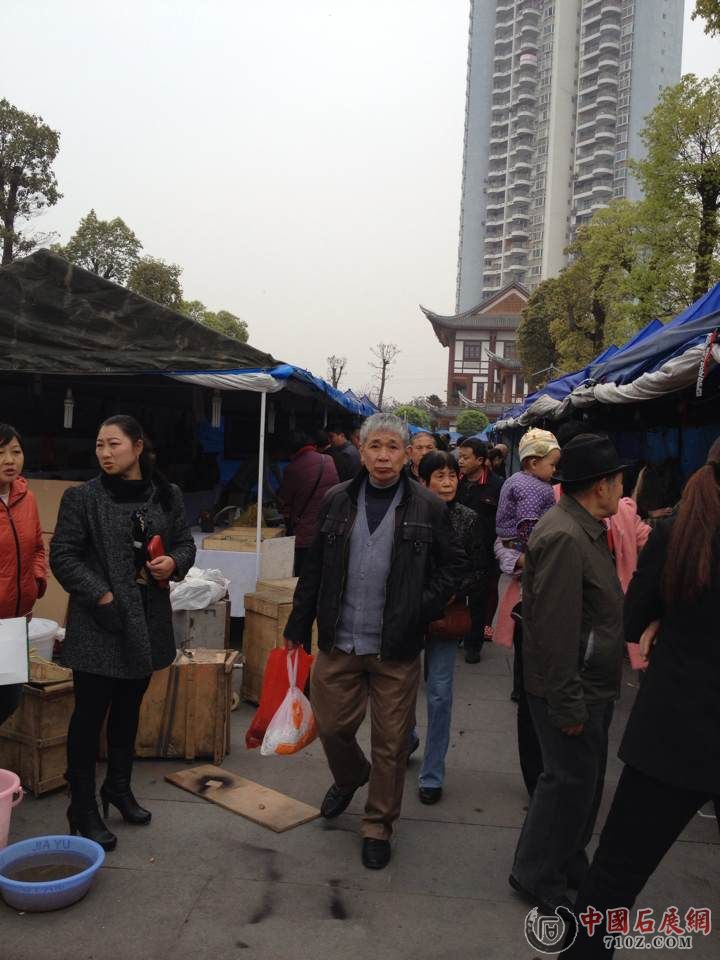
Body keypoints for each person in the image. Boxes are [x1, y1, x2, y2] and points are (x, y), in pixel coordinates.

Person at [283, 413, 464, 870]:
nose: (383, 456)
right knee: (331, 727)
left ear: (407, 456)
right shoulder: (337, 499)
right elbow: (314, 568)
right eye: (375, 447)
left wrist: (420, 607)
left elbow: (454, 566)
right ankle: (350, 776)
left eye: (393, 447)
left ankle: (378, 824)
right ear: (361, 452)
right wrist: (297, 626)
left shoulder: (427, 506)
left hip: (396, 648)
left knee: (391, 743)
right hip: (339, 640)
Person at [565, 438, 720, 958]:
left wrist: (664, 620)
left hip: (674, 731)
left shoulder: (679, 532)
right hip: (678, 729)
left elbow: (632, 619)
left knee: (614, 877)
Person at [51, 415, 196, 852]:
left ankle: (117, 786)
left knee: (129, 709)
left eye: (113, 444)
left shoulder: (166, 495)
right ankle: (82, 806)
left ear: (137, 446)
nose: (105, 452)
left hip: (147, 623)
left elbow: (185, 544)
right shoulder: (83, 498)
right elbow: (63, 556)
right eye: (99, 445)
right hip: (101, 624)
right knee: (89, 715)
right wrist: (101, 595)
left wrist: (173, 562)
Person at [509, 434, 628, 913]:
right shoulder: (564, 535)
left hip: (588, 681)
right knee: (565, 783)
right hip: (571, 685)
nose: (622, 489)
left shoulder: (584, 528)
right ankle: (538, 874)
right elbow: (555, 632)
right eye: (618, 481)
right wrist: (567, 702)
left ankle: (568, 858)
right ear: (601, 486)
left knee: (584, 782)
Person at [416, 450, 493, 805]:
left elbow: (479, 569)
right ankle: (406, 739)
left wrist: (449, 594)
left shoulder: (468, 519)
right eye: (439, 476)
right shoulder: (409, 514)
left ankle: (432, 773)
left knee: (439, 693)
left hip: (446, 615)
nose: (447, 483)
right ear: (424, 481)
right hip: (409, 614)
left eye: (451, 476)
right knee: (399, 688)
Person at [0, 424, 48, 726]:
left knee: (8, 700)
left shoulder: (26, 498)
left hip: (16, 622)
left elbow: (38, 548)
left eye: (16, 452)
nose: (9, 460)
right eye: (0, 453)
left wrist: (36, 582)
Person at [456, 438, 504, 662]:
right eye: (460, 456)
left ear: (481, 460)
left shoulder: (497, 485)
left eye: (465, 458)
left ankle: (473, 644)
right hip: (457, 552)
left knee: (478, 600)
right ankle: (456, 631)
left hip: (484, 553)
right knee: (456, 596)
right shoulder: (456, 481)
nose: (460, 461)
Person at [278, 432, 339, 579]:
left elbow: (285, 502)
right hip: (331, 528)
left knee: (304, 578)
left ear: (291, 451)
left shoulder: (292, 469)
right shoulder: (328, 460)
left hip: (305, 534)